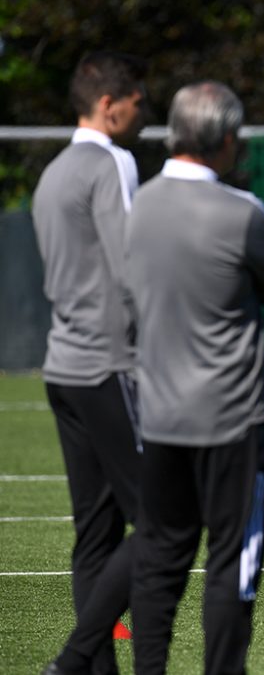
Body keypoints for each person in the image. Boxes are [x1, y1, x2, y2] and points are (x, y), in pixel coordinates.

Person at [125, 81, 264, 675]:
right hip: (233, 422)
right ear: (227, 138)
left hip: (156, 417)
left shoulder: (137, 205)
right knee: (233, 562)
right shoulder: (242, 212)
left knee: (158, 558)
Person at [32, 51, 148, 675]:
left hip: (63, 369)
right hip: (108, 367)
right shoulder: (112, 161)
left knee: (96, 537)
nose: (144, 113)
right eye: (139, 101)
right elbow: (131, 266)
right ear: (110, 103)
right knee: (164, 521)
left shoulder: (52, 173)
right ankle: (75, 659)